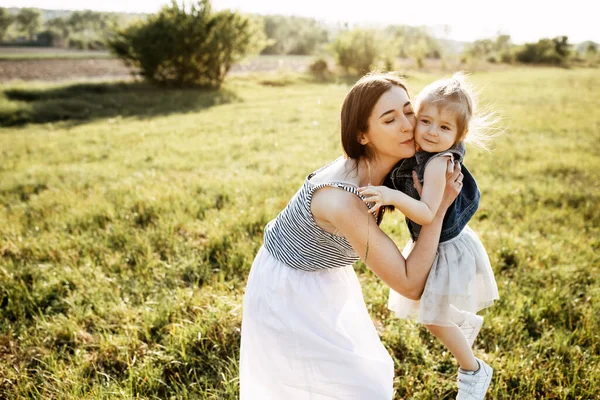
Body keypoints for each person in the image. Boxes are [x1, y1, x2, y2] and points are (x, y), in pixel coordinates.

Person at [239, 72, 465, 399]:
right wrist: (439, 208)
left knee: (358, 379)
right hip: (287, 291)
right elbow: (409, 284)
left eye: (408, 111)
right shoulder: (342, 200)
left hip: (325, 276)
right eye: (390, 120)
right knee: (351, 387)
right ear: (362, 135)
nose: (407, 125)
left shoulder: (393, 168)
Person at [359, 73, 499, 399]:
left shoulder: (438, 165)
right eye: (426, 121)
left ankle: (474, 371)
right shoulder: (419, 153)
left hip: (447, 247)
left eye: (445, 127)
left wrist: (390, 196)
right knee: (432, 310)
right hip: (433, 244)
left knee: (433, 318)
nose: (433, 132)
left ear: (459, 135)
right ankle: (462, 325)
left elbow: (426, 212)